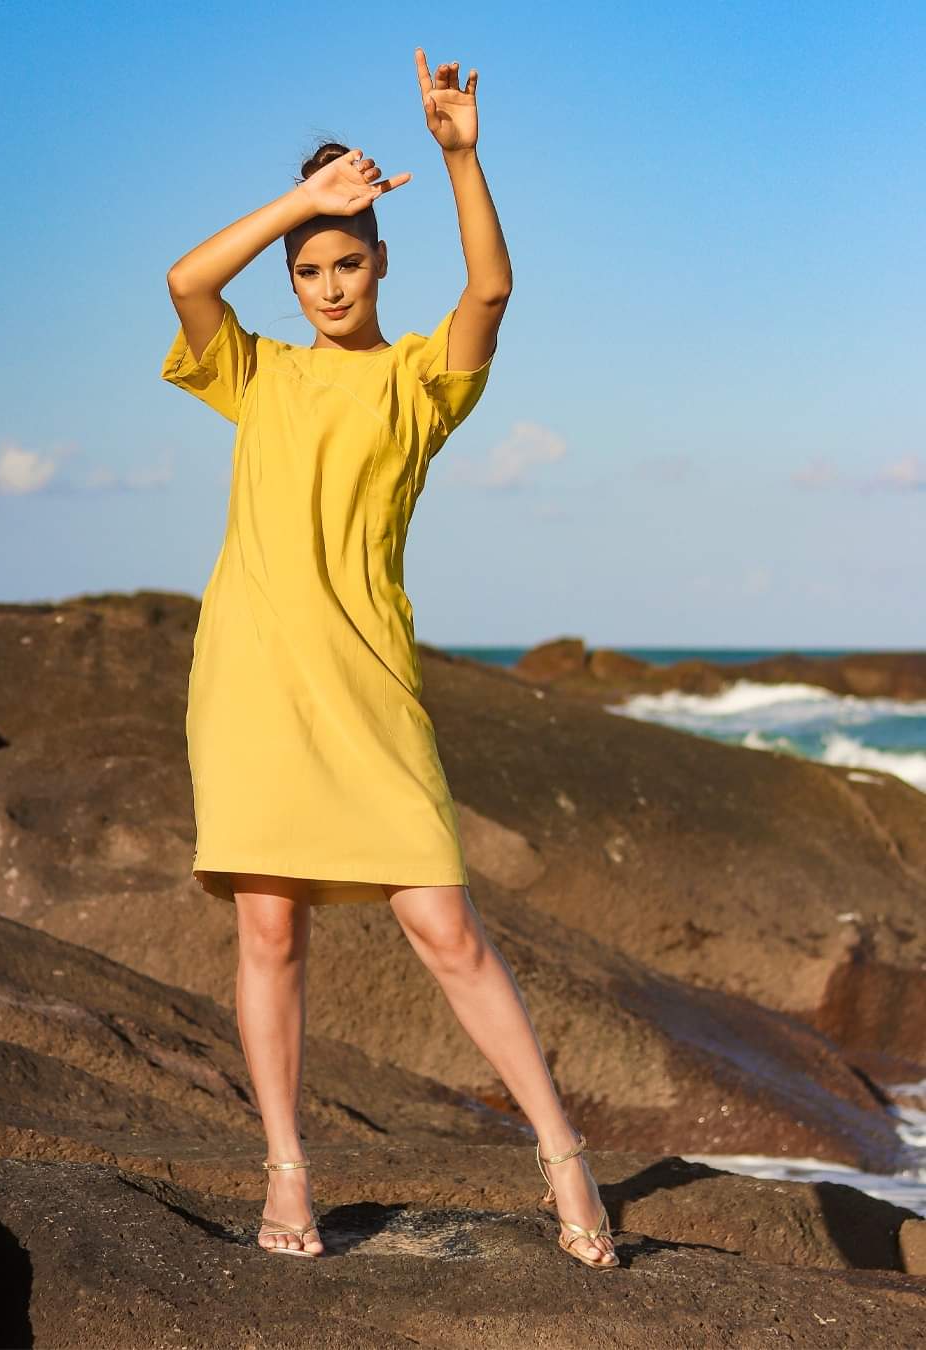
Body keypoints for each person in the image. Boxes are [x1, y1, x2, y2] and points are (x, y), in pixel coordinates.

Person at [160, 47, 617, 1269]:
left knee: (447, 928)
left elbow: (493, 291)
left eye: (346, 262)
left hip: (368, 681)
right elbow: (187, 279)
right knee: (269, 934)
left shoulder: (419, 382)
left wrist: (462, 156)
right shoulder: (255, 373)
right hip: (253, 683)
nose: (325, 285)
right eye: (307, 268)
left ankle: (562, 1153)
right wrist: (304, 201)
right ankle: (288, 1171)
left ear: (379, 263)